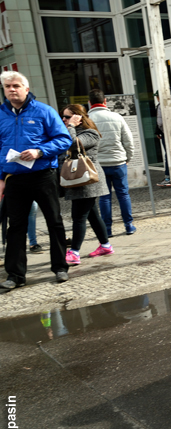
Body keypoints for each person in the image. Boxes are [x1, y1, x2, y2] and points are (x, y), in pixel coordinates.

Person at [0, 71, 72, 291]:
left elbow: (64, 139)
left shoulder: (44, 111)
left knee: (54, 222)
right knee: (16, 227)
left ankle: (60, 267)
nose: (12, 90)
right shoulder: (1, 114)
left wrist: (40, 151)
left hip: (42, 175)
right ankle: (15, 275)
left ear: (26, 89)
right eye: (7, 87)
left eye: (16, 86)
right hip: (14, 179)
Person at [60, 105, 114, 265]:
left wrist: (71, 127)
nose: (64, 119)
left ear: (78, 118)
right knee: (92, 215)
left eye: (67, 117)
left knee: (79, 217)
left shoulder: (91, 133)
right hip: (78, 179)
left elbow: (73, 145)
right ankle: (106, 245)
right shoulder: (72, 131)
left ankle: (74, 252)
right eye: (63, 117)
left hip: (87, 179)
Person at [88, 89, 136, 237]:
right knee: (123, 194)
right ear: (105, 101)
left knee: (104, 197)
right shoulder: (116, 117)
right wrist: (128, 157)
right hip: (118, 162)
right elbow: (128, 140)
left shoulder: (87, 119)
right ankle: (128, 225)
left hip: (99, 164)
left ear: (89, 103)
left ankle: (107, 229)